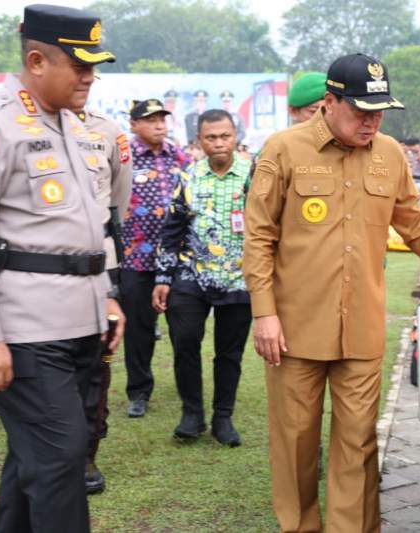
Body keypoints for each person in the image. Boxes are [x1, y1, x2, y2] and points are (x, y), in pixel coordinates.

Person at [243, 52, 420, 532]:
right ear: (329, 102)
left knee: (358, 442)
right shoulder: (284, 150)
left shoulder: (389, 154)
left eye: (380, 111)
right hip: (294, 327)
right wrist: (264, 313)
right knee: (295, 441)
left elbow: (416, 224)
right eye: (362, 110)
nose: (372, 121)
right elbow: (259, 236)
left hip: (361, 325)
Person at [0, 5, 125, 532]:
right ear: (37, 61)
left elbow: (88, 225)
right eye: (80, 65)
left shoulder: (71, 123)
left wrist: (106, 295)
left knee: (35, 459)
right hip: (27, 331)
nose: (89, 77)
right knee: (61, 459)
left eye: (94, 66)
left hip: (81, 322)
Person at [153, 109, 252, 446]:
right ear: (199, 140)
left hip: (239, 279)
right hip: (191, 275)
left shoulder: (254, 176)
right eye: (211, 138)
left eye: (225, 136)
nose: (219, 143)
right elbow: (172, 230)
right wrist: (163, 278)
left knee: (229, 352)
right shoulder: (189, 177)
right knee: (184, 341)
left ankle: (223, 418)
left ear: (235, 137)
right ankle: (192, 413)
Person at [73, 107, 132, 493]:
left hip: (100, 255)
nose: (82, 80)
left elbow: (118, 196)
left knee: (98, 357)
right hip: (38, 263)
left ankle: (88, 451)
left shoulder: (108, 130)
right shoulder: (21, 126)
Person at [121, 98, 187, 418]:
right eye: (151, 120)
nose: (159, 125)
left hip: (175, 258)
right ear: (133, 124)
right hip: (136, 258)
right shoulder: (123, 156)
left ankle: (187, 388)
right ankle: (139, 391)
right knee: (138, 330)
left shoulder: (178, 155)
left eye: (162, 119)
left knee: (183, 327)